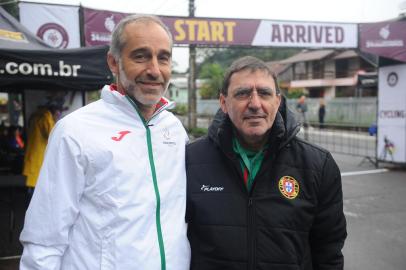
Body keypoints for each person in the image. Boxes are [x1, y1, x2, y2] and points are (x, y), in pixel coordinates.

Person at [20, 15, 190, 270]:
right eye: (141, 56)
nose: (154, 70)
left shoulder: (174, 129)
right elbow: (45, 239)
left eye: (163, 57)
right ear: (114, 62)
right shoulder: (75, 131)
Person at [186, 56, 346, 270]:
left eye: (264, 93)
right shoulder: (191, 160)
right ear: (223, 103)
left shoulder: (318, 165)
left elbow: (328, 252)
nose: (254, 104)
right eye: (242, 93)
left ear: (277, 101)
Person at [23, 103, 61, 202]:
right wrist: (56, 123)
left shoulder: (36, 117)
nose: (59, 116)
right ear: (54, 112)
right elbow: (52, 135)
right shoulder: (46, 119)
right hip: (38, 157)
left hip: (34, 155)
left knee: (33, 186)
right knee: (36, 188)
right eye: (58, 114)